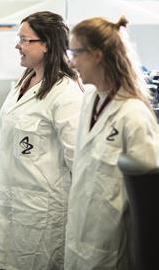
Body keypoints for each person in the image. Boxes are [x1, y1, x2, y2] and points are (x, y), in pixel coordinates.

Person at [0, 11, 83, 270]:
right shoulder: (25, 80)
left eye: (25, 40)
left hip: (42, 213)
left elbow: (78, 162)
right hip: (9, 205)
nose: (18, 46)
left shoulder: (66, 94)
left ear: (47, 45)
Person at [65, 16, 159, 269]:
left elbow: (149, 198)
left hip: (112, 243)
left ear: (96, 55)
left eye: (75, 53)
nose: (71, 62)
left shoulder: (133, 113)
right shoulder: (90, 100)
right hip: (80, 232)